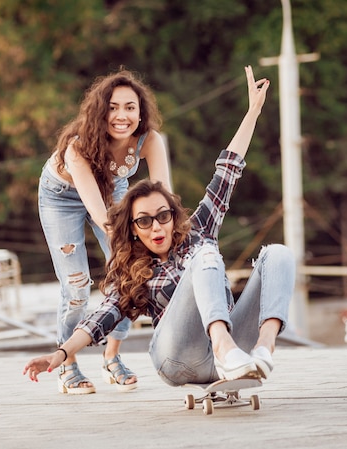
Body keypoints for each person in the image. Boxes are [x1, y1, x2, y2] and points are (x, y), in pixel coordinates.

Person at [25, 66, 295, 389]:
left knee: (276, 254)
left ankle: (263, 349)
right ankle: (221, 348)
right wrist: (60, 353)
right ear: (135, 227)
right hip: (176, 357)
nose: (156, 227)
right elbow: (104, 312)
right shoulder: (139, 266)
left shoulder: (196, 230)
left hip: (232, 355)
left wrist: (252, 111)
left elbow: (228, 170)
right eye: (144, 221)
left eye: (163, 216)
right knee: (82, 283)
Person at [38, 69, 171, 394]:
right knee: (78, 287)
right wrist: (134, 236)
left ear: (141, 112)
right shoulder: (77, 147)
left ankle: (112, 357)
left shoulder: (150, 140)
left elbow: (163, 197)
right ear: (100, 111)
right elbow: (102, 217)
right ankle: (67, 363)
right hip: (62, 197)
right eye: (113, 107)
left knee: (133, 274)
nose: (121, 115)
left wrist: (163, 238)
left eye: (129, 107)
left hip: (114, 188)